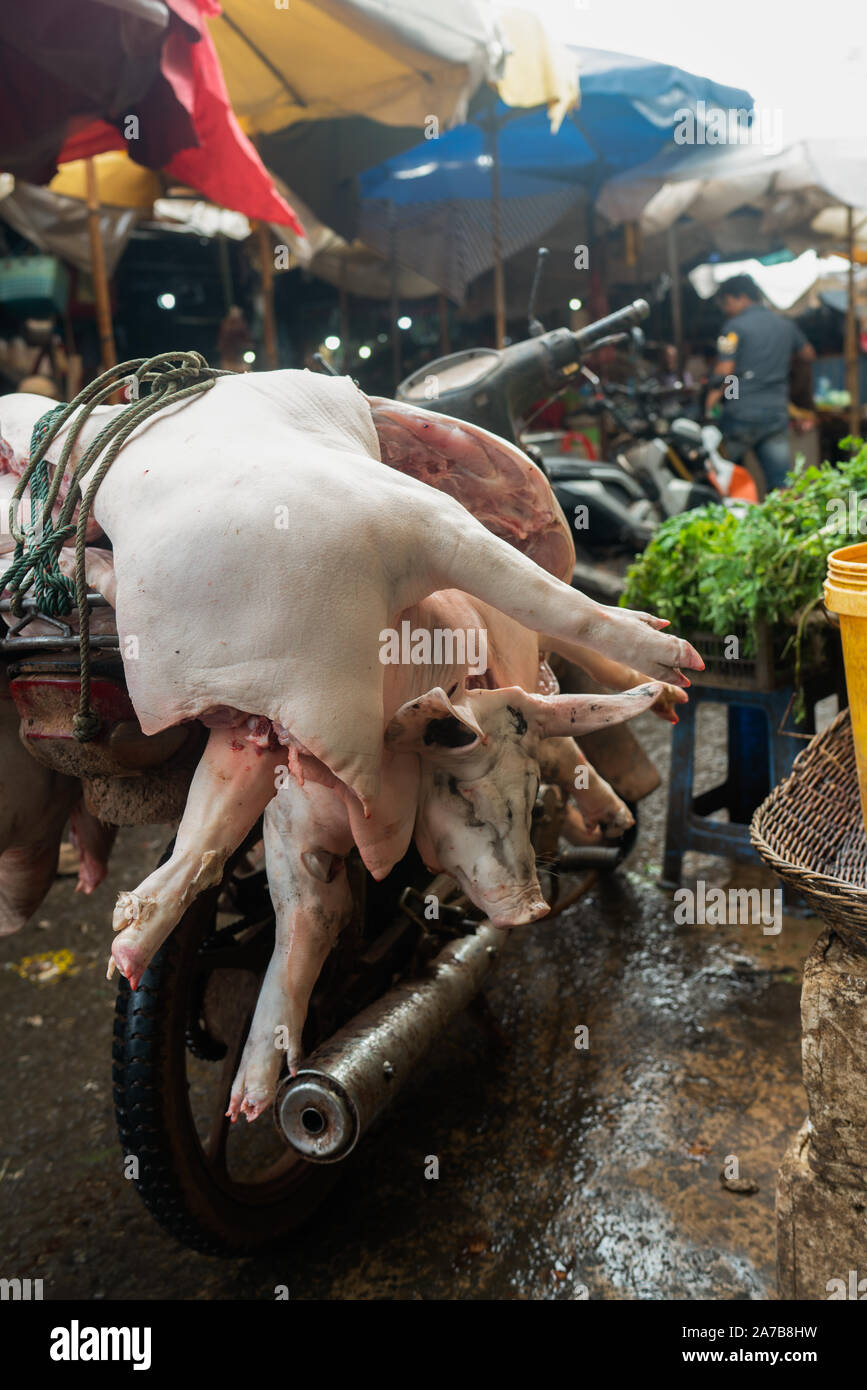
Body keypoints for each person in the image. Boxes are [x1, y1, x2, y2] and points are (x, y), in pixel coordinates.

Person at [705, 273, 815, 493]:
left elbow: (727, 374)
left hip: (740, 412)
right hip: (775, 410)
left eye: (727, 302)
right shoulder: (785, 325)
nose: (726, 309)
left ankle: (735, 522)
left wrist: (710, 406)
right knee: (781, 483)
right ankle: (787, 523)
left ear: (742, 297)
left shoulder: (733, 328)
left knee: (727, 480)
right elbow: (808, 355)